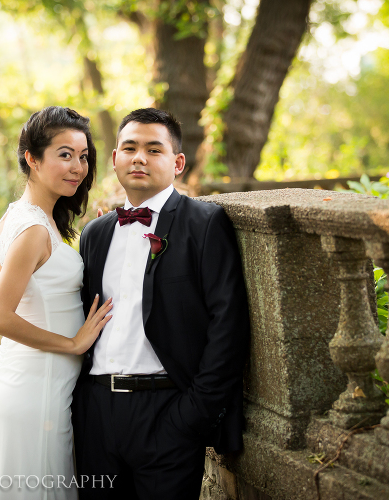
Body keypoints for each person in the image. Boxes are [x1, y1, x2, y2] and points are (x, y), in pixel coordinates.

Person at [73, 108, 250, 499]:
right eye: (130, 148)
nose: (139, 157)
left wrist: (193, 415)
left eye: (154, 149)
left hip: (168, 412)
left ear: (177, 162)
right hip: (97, 415)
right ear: (115, 158)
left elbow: (228, 325)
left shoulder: (203, 223)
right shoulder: (95, 234)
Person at [0, 106, 113, 500]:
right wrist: (73, 344)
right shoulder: (33, 230)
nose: (78, 166)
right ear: (32, 159)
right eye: (64, 154)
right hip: (34, 393)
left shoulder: (25, 220)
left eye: (83, 155)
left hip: (37, 389)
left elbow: (35, 299)